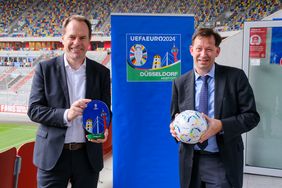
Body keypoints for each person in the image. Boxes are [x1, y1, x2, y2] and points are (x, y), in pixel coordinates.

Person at [170, 28, 260, 188]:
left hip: (222, 159)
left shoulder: (235, 77)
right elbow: (174, 117)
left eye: (209, 49)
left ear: (217, 51)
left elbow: (252, 116)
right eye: (199, 49)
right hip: (190, 162)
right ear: (192, 50)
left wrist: (221, 125)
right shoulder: (180, 82)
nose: (203, 54)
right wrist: (174, 129)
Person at [27, 15, 111, 188]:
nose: (76, 42)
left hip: (87, 158)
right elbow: (34, 110)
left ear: (89, 41)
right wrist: (67, 114)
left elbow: (105, 111)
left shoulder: (101, 72)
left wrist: (103, 130)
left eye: (82, 38)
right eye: (72, 37)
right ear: (63, 39)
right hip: (53, 157)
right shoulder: (45, 69)